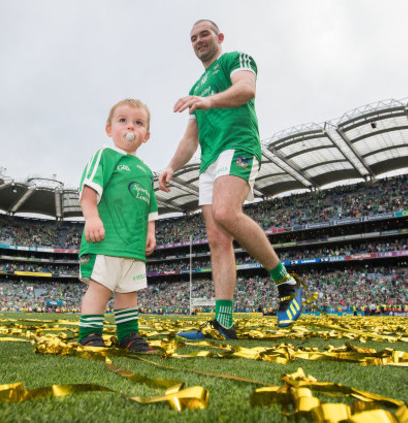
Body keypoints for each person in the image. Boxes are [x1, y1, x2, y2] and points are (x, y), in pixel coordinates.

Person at [158, 19, 305, 340]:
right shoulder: (196, 88)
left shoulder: (234, 59)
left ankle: (286, 282)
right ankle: (223, 323)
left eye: (204, 34)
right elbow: (190, 138)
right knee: (217, 240)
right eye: (193, 37)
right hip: (209, 161)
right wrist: (171, 166)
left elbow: (246, 89)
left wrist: (210, 101)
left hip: (238, 145)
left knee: (226, 212)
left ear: (219, 37)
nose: (199, 41)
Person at [77, 98, 158, 353]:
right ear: (109, 129)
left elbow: (150, 207)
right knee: (99, 290)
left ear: (146, 135)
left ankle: (128, 336)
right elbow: (88, 190)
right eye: (123, 120)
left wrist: (150, 232)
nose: (130, 127)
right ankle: (89, 334)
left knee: (129, 294)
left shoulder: (146, 171)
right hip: (106, 242)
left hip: (132, 247)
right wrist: (92, 217)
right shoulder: (106, 155)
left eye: (138, 122)